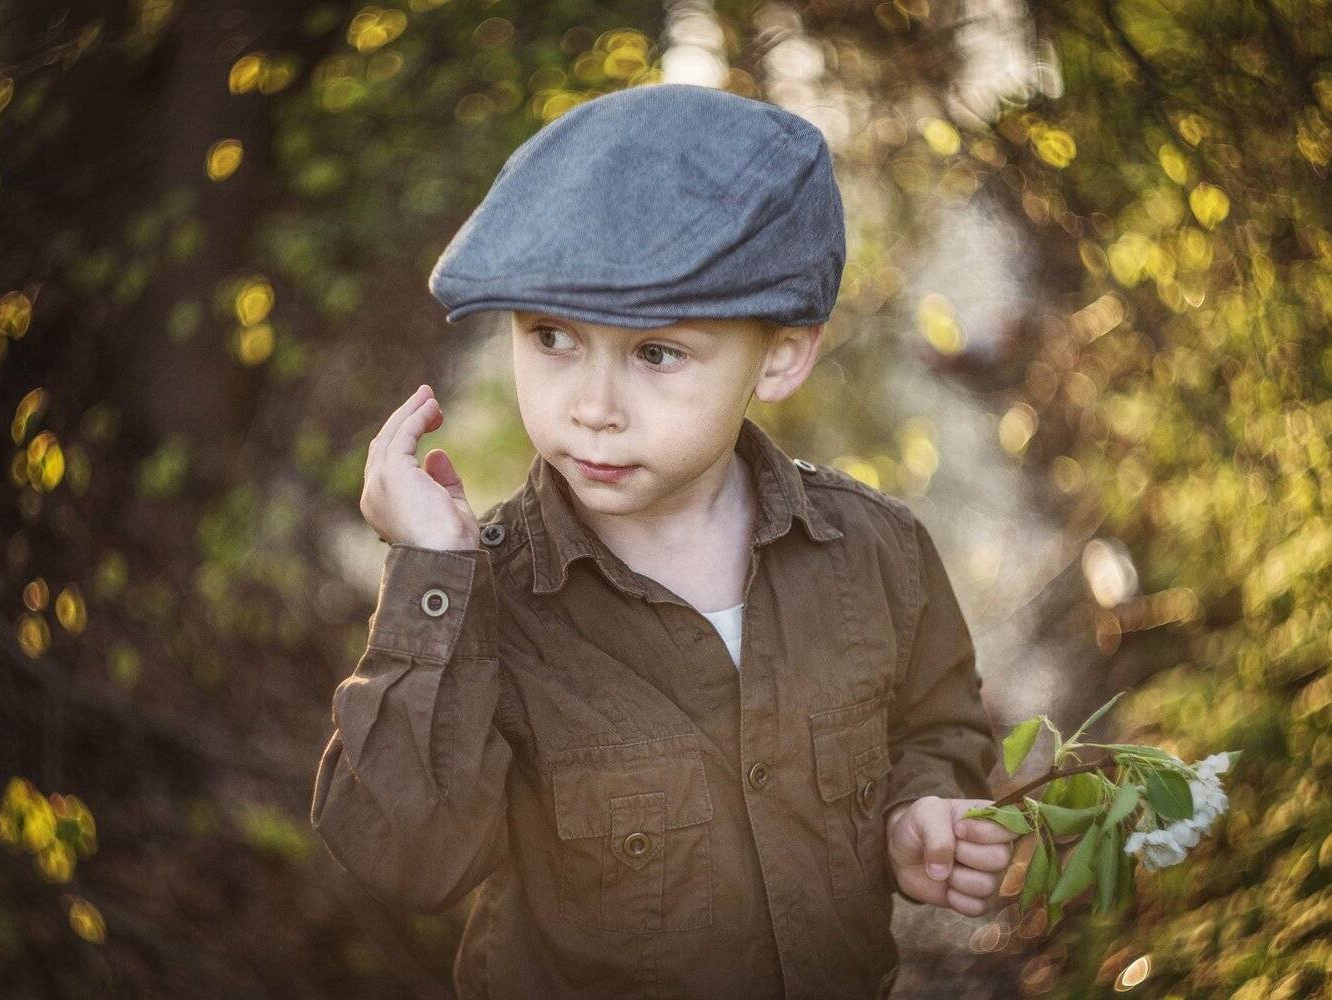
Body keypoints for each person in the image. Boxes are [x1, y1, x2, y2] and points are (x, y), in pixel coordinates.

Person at [309, 83, 1015, 999]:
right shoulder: (486, 601)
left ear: (783, 354)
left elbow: (940, 721)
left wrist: (922, 805)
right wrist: (430, 574)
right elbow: (406, 857)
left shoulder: (875, 554)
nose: (593, 409)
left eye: (656, 354)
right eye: (552, 336)